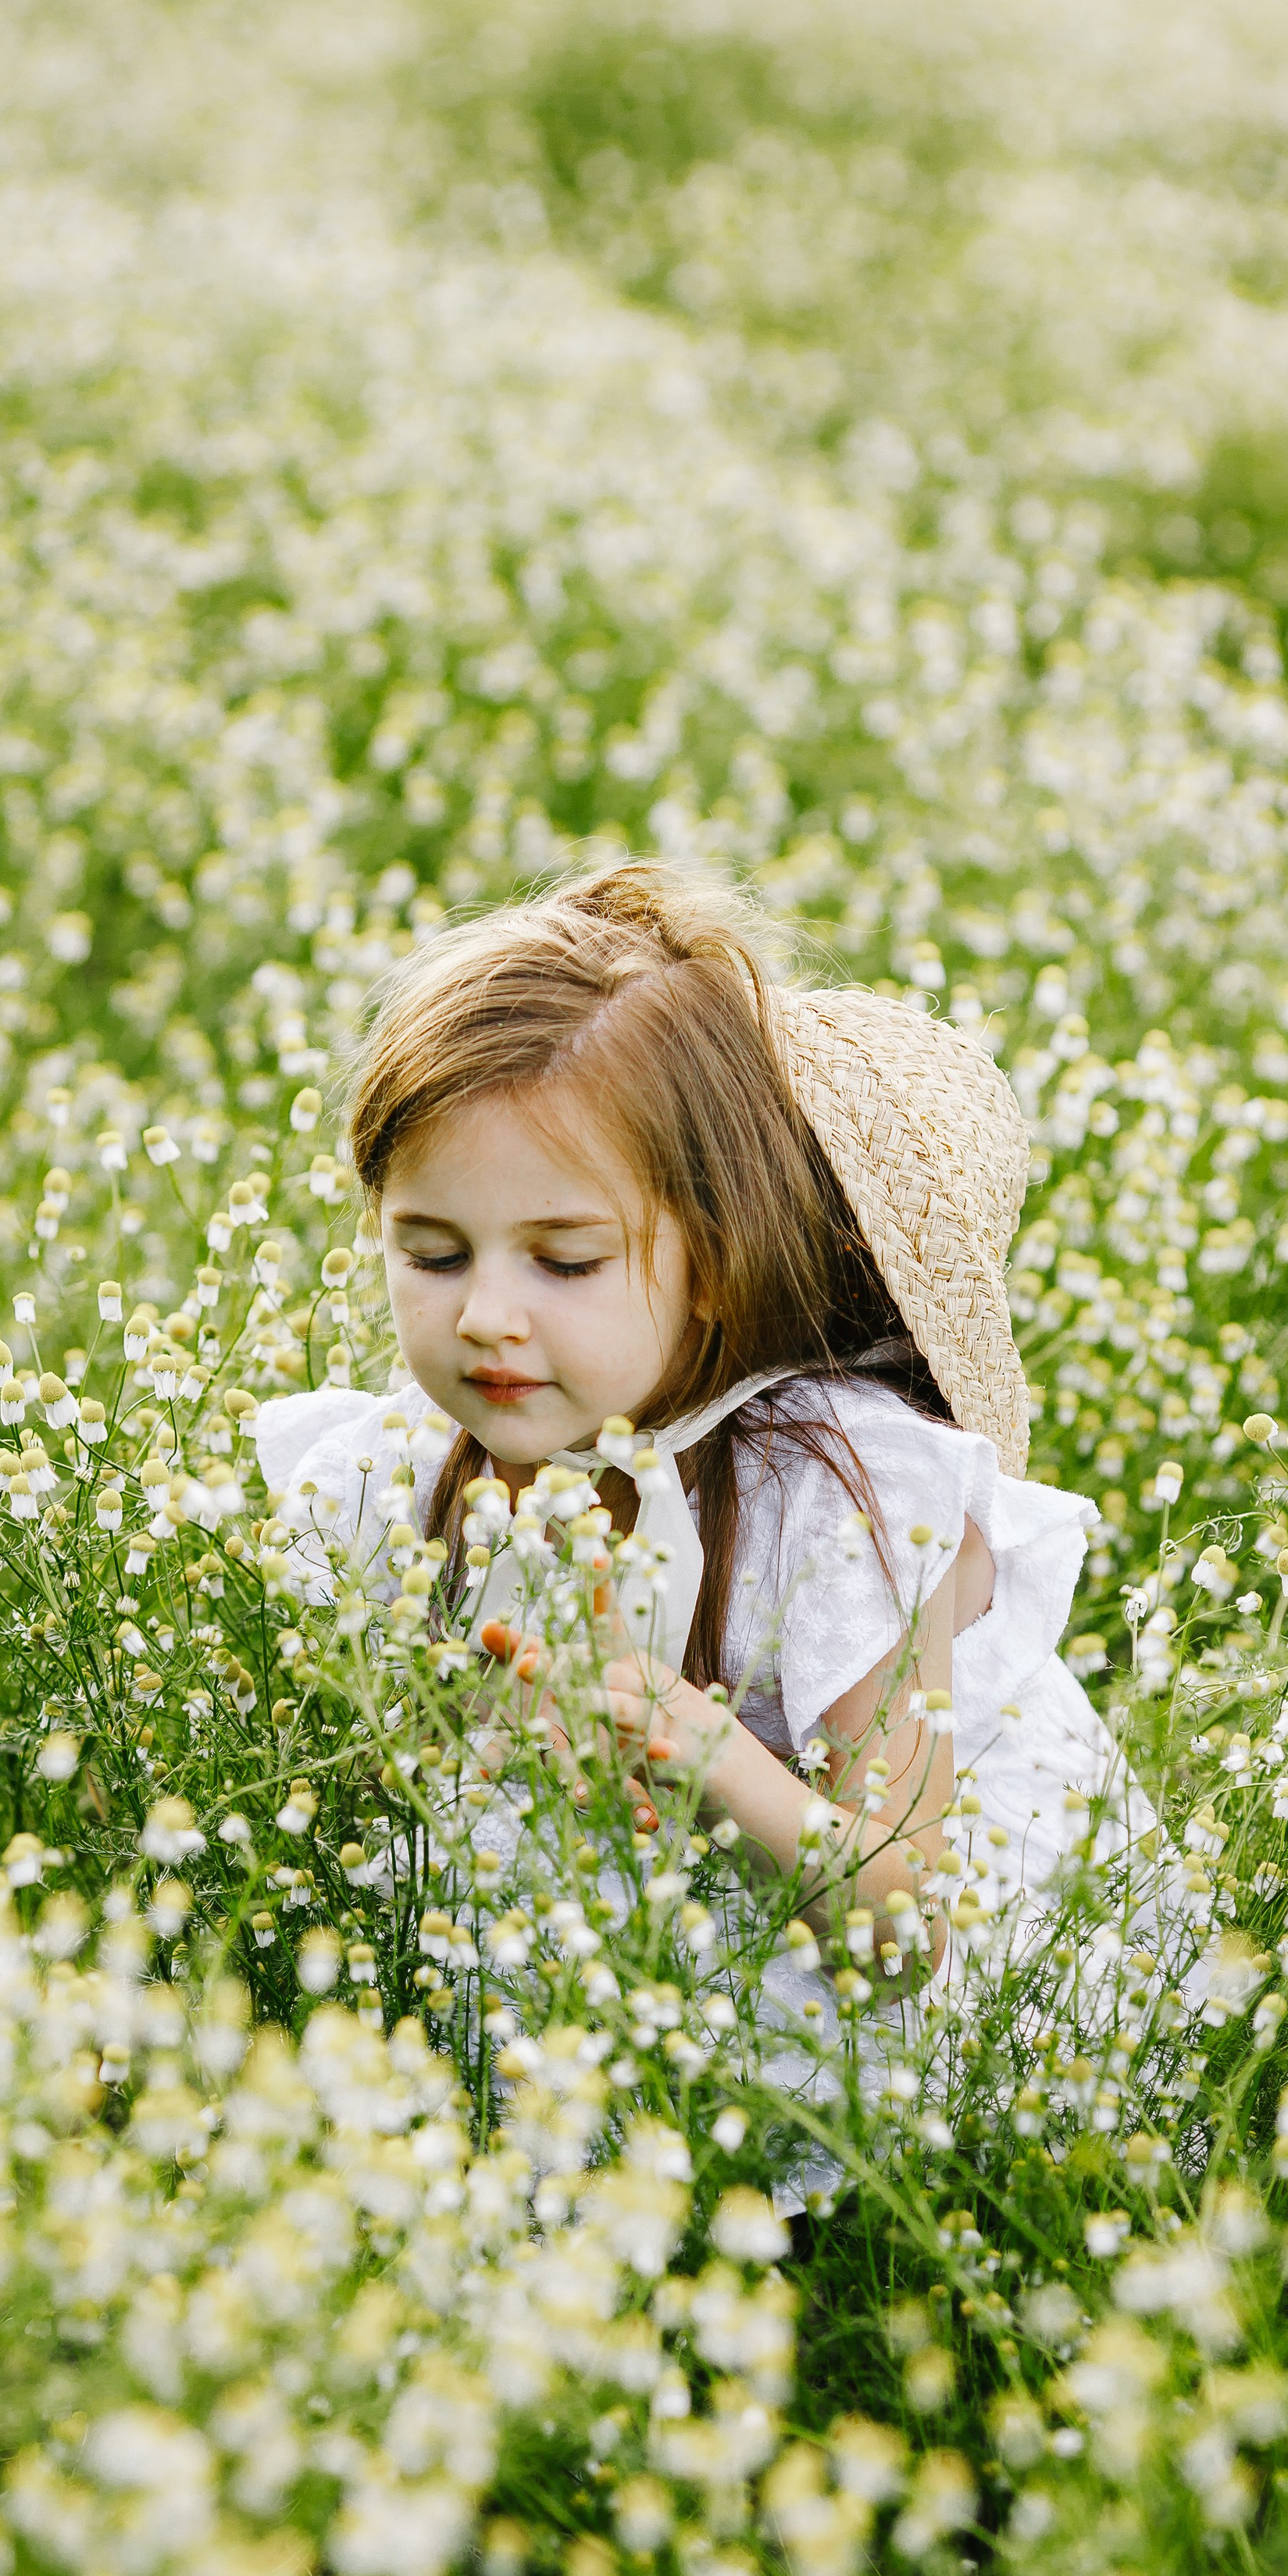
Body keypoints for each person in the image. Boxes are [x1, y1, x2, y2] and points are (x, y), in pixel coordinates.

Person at [255, 862, 1150, 2190]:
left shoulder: (840, 1496)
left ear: (716, 1261)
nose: (487, 1315)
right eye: (431, 1253)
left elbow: (901, 1928)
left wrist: (687, 1742)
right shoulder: (396, 1473)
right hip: (619, 1972)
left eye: (565, 1262)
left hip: (865, 1980)